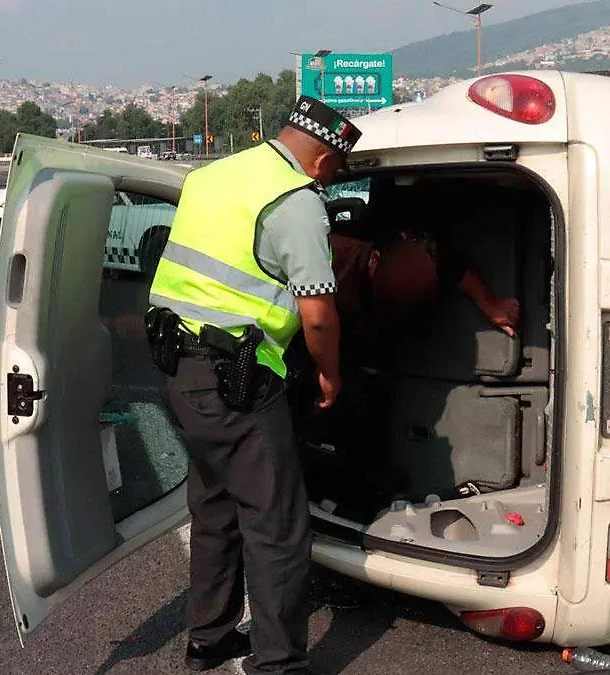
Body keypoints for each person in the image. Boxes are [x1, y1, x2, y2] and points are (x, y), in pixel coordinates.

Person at [146, 96, 360, 675]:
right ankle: (277, 664)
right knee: (277, 527)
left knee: (216, 506)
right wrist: (330, 375)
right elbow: (318, 316)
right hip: (236, 383)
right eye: (336, 171)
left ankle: (210, 639)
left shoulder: (213, 175)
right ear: (324, 161)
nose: (330, 182)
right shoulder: (296, 201)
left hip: (178, 369)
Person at [289, 226, 520, 516]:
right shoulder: (331, 256)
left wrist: (489, 303)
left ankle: (372, 491)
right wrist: (327, 371)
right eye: (385, 297)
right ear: (374, 261)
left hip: (364, 357)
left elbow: (457, 270)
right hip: (315, 345)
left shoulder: (420, 267)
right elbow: (315, 322)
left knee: (366, 408)